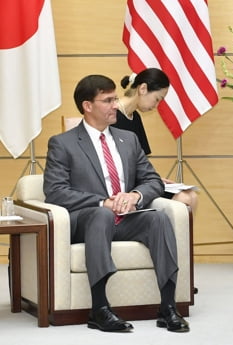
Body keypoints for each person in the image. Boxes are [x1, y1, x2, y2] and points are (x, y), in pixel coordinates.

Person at [43, 74, 190, 333]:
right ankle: (99, 308)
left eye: (114, 99)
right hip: (87, 220)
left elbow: (152, 180)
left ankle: (167, 306)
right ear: (88, 106)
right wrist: (102, 202)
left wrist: (135, 196)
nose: (115, 105)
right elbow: (55, 192)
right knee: (102, 216)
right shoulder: (63, 144)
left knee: (158, 217)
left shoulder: (128, 139)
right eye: (108, 100)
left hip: (125, 219)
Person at [112, 68, 198, 214]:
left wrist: (155, 179)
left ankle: (179, 237)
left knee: (192, 196)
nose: (156, 106)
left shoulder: (135, 117)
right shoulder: (111, 116)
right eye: (157, 99)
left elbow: (141, 160)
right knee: (184, 199)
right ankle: (168, 236)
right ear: (143, 89)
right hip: (123, 184)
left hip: (137, 182)